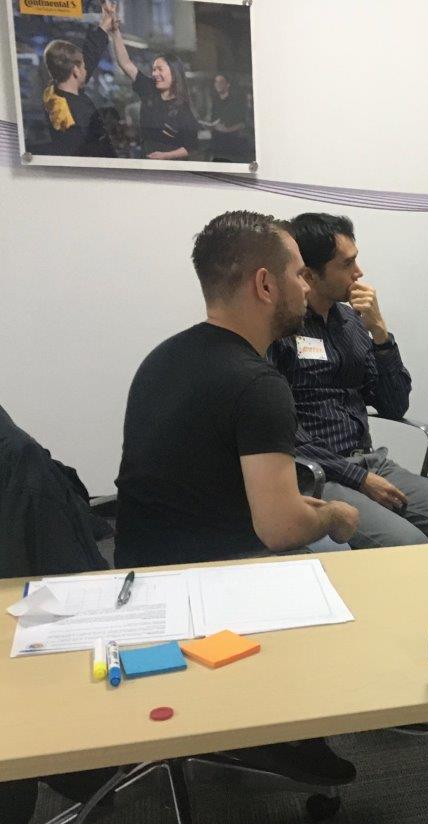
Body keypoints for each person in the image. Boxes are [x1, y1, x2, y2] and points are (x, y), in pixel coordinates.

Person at [115, 210, 360, 784]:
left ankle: (264, 716)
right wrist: (333, 513)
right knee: (345, 555)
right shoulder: (257, 384)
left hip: (139, 570)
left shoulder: (165, 356)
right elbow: (280, 528)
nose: (306, 286)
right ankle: (280, 730)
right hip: (205, 586)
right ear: (265, 284)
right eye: (298, 273)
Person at [269, 213, 428, 548]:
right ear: (310, 274)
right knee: (410, 544)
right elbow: (283, 431)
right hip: (316, 473)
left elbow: (394, 404)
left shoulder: (352, 322)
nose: (359, 273)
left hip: (371, 462)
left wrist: (380, 333)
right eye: (347, 264)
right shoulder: (282, 329)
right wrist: (359, 478)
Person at [101, 0, 198, 160]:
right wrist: (115, 32)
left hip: (171, 168)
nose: (155, 73)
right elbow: (125, 63)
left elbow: (191, 147)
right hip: (147, 161)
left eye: (160, 69)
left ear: (174, 74)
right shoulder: (149, 89)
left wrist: (165, 156)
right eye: (154, 69)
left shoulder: (183, 108)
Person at [38, 8, 116, 157]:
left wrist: (104, 27)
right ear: (75, 71)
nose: (87, 69)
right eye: (83, 66)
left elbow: (90, 58)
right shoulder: (68, 114)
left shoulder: (53, 91)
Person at [206, 72, 251, 163]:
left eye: (221, 82)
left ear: (228, 84)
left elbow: (243, 123)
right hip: (217, 141)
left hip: (233, 142)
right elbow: (212, 120)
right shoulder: (215, 101)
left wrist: (227, 130)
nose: (218, 84)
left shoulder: (236, 101)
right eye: (216, 82)